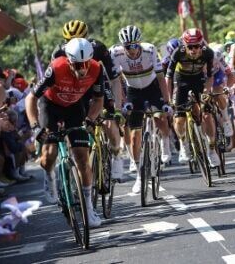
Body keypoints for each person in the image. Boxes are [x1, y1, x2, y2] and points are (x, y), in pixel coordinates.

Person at [25, 38, 104, 227]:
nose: (83, 69)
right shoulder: (56, 68)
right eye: (78, 65)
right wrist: (35, 126)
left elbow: (99, 100)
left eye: (86, 64)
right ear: (69, 60)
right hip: (50, 106)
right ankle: (50, 175)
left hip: (74, 107)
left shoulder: (97, 69)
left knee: (83, 159)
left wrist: (89, 120)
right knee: (49, 155)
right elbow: (30, 98)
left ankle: (88, 208)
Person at [52, 20, 124, 181]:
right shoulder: (58, 52)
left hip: (98, 86)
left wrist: (117, 108)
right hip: (75, 90)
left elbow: (114, 80)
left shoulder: (98, 48)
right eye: (69, 41)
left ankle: (116, 154)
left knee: (108, 120)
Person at [110, 25, 172, 193]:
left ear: (140, 43)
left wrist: (167, 101)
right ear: (122, 46)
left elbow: (161, 78)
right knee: (134, 133)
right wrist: (121, 103)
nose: (131, 50)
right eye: (127, 46)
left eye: (135, 45)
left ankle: (165, 145)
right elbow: (116, 82)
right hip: (133, 91)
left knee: (160, 116)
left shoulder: (150, 50)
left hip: (152, 88)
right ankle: (139, 174)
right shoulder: (115, 54)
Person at [166, 28, 220, 167]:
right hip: (182, 80)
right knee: (179, 118)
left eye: (197, 46)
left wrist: (207, 92)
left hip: (199, 79)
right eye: (190, 46)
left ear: (201, 44)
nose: (194, 50)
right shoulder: (178, 53)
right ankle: (184, 145)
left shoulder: (208, 52)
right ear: (184, 45)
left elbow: (209, 76)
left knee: (207, 115)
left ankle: (212, 150)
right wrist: (168, 99)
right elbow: (168, 77)